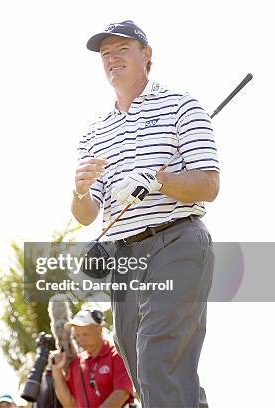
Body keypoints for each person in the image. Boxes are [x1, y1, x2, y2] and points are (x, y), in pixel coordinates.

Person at [72, 20, 218, 407]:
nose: (112, 59)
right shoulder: (95, 132)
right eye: (106, 54)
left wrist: (157, 180)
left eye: (123, 49)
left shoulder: (181, 105)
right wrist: (80, 189)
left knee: (158, 360)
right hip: (124, 256)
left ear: (146, 55)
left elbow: (209, 185)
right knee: (142, 363)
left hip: (177, 243)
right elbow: (87, 215)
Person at [51, 309, 134, 407]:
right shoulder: (77, 363)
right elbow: (69, 404)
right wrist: (57, 371)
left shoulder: (117, 355)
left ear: (99, 329)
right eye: (77, 335)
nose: (81, 340)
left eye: (85, 334)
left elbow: (121, 394)